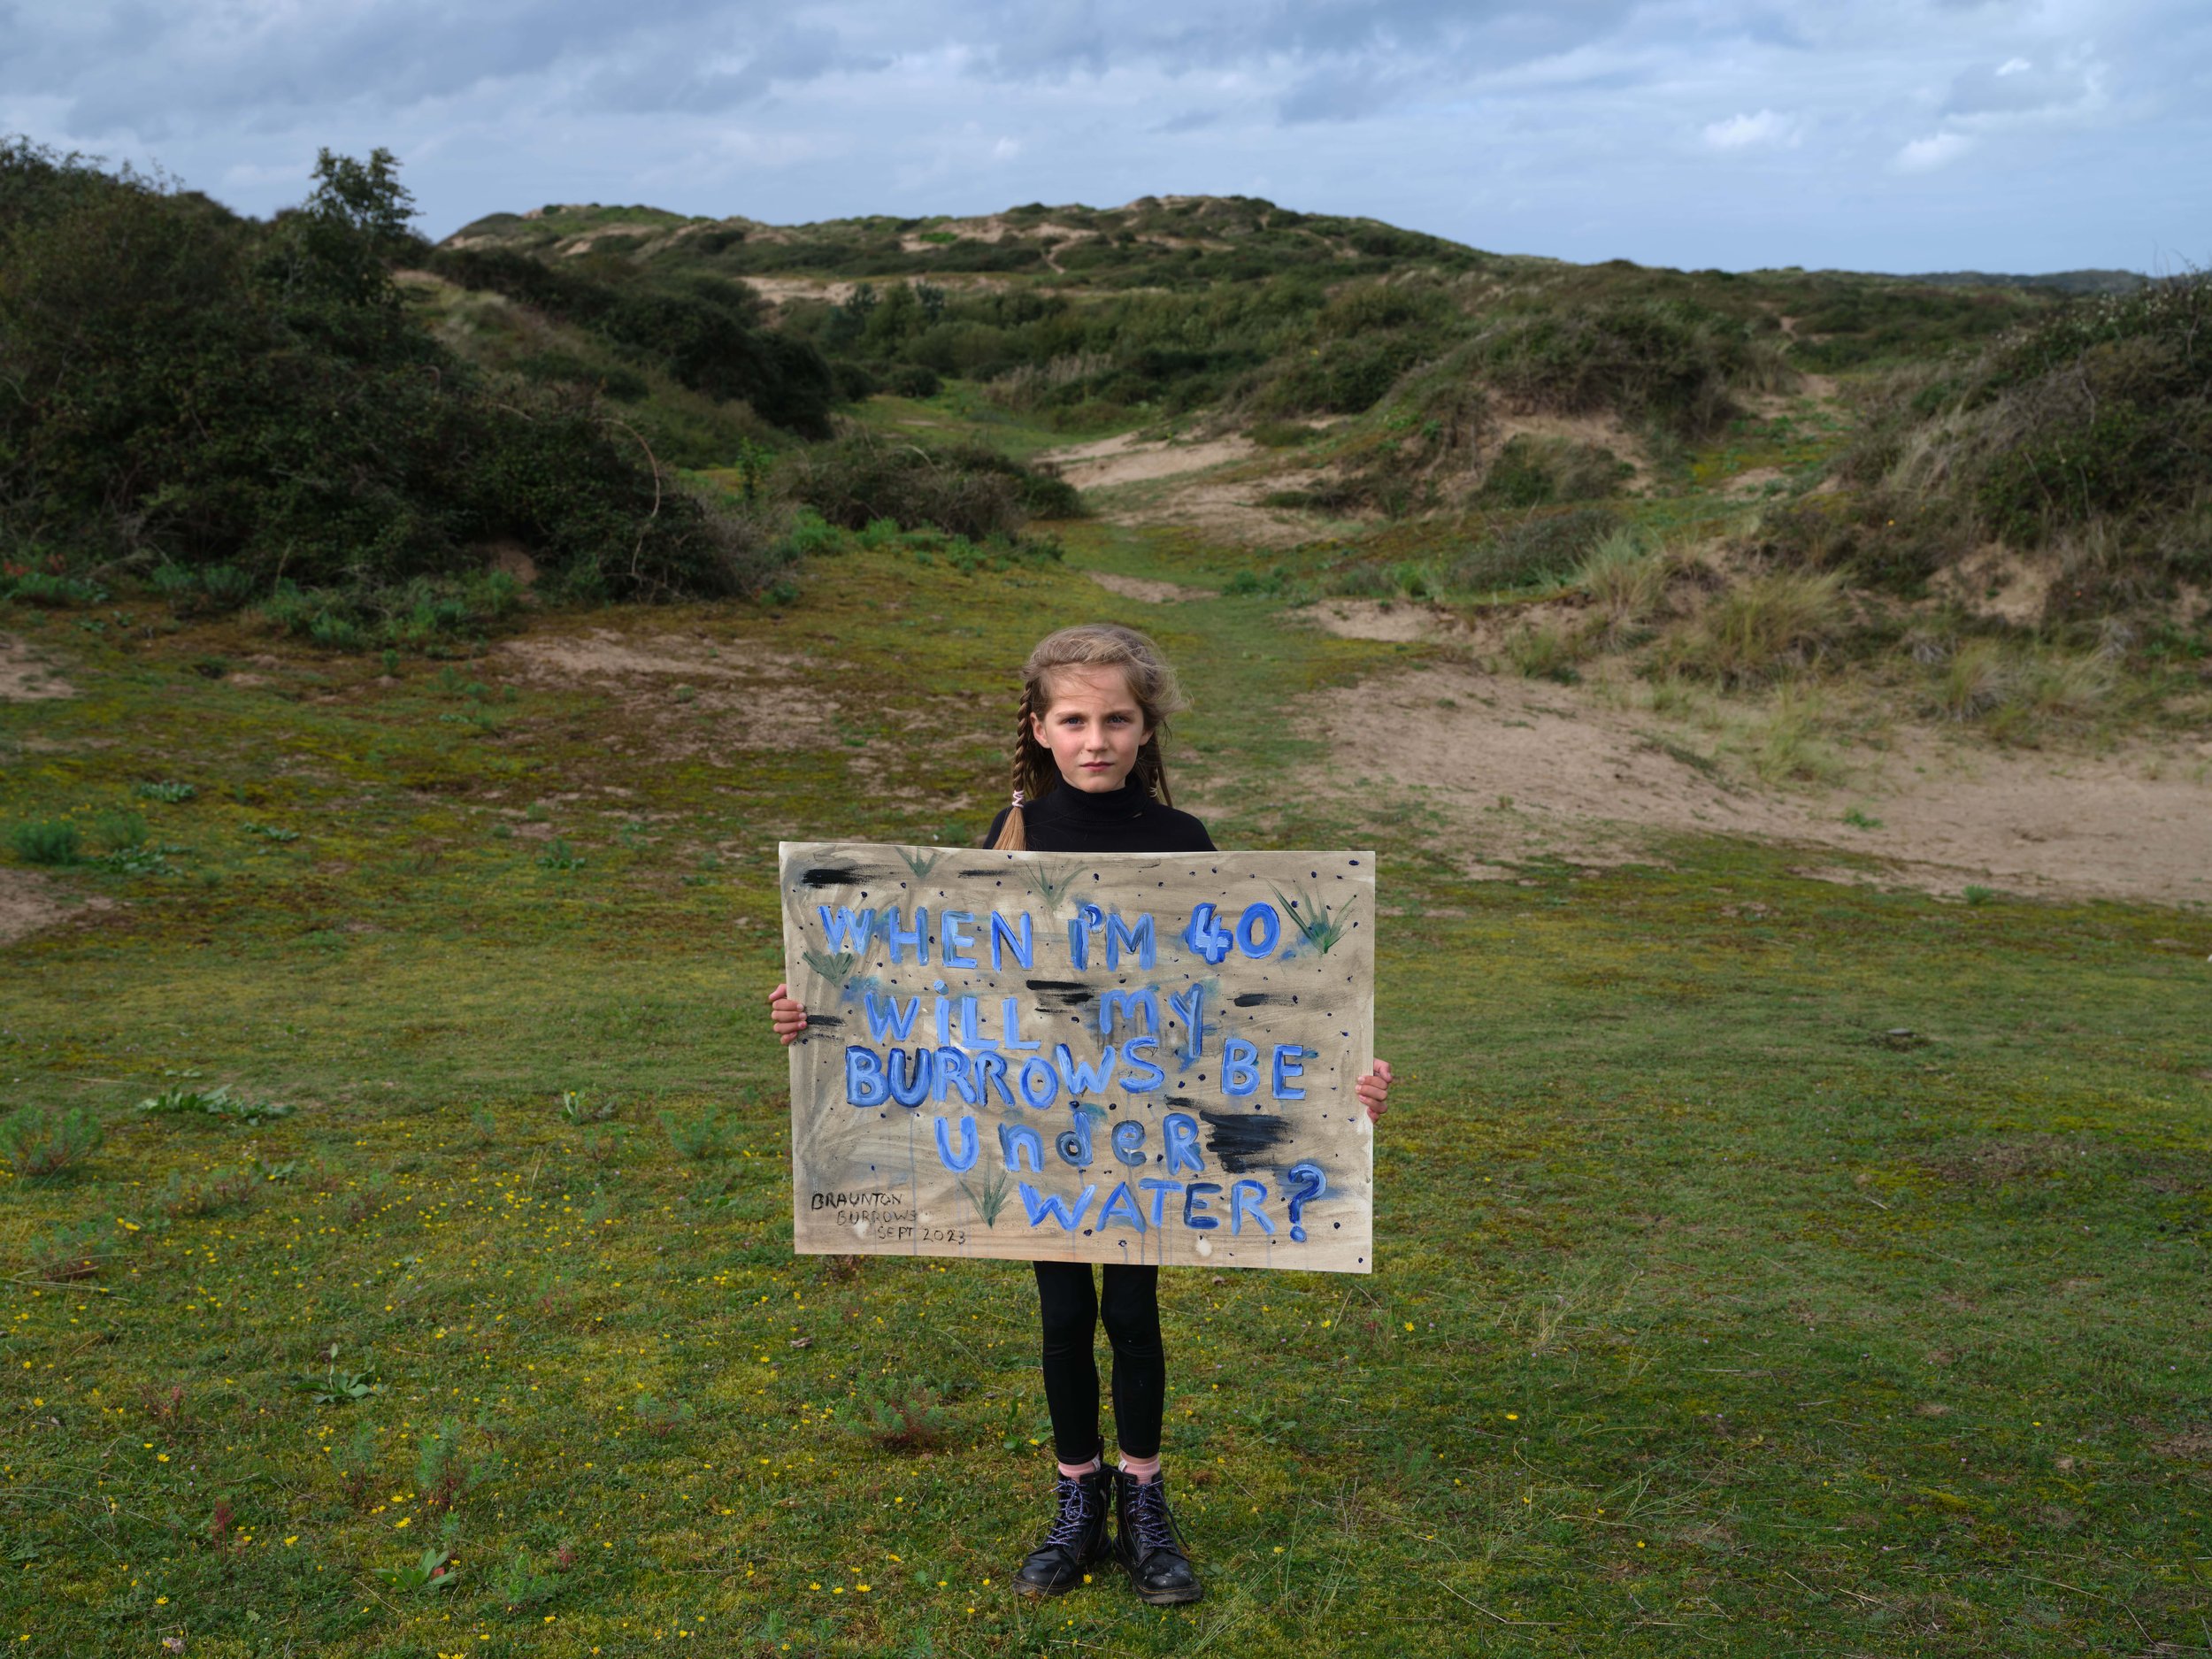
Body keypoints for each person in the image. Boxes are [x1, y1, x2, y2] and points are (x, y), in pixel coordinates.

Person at [766, 622, 1393, 1606]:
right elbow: (937, 981)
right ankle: (1076, 1498)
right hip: (1041, 1130)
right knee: (1063, 1315)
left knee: (1133, 1315)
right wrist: (819, 1011)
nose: (1094, 738)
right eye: (1073, 719)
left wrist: (1338, 1080)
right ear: (1039, 728)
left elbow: (1251, 994)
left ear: (1147, 730)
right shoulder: (1009, 840)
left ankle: (1143, 1500)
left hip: (1149, 1131)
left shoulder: (1183, 845)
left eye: (1116, 719)